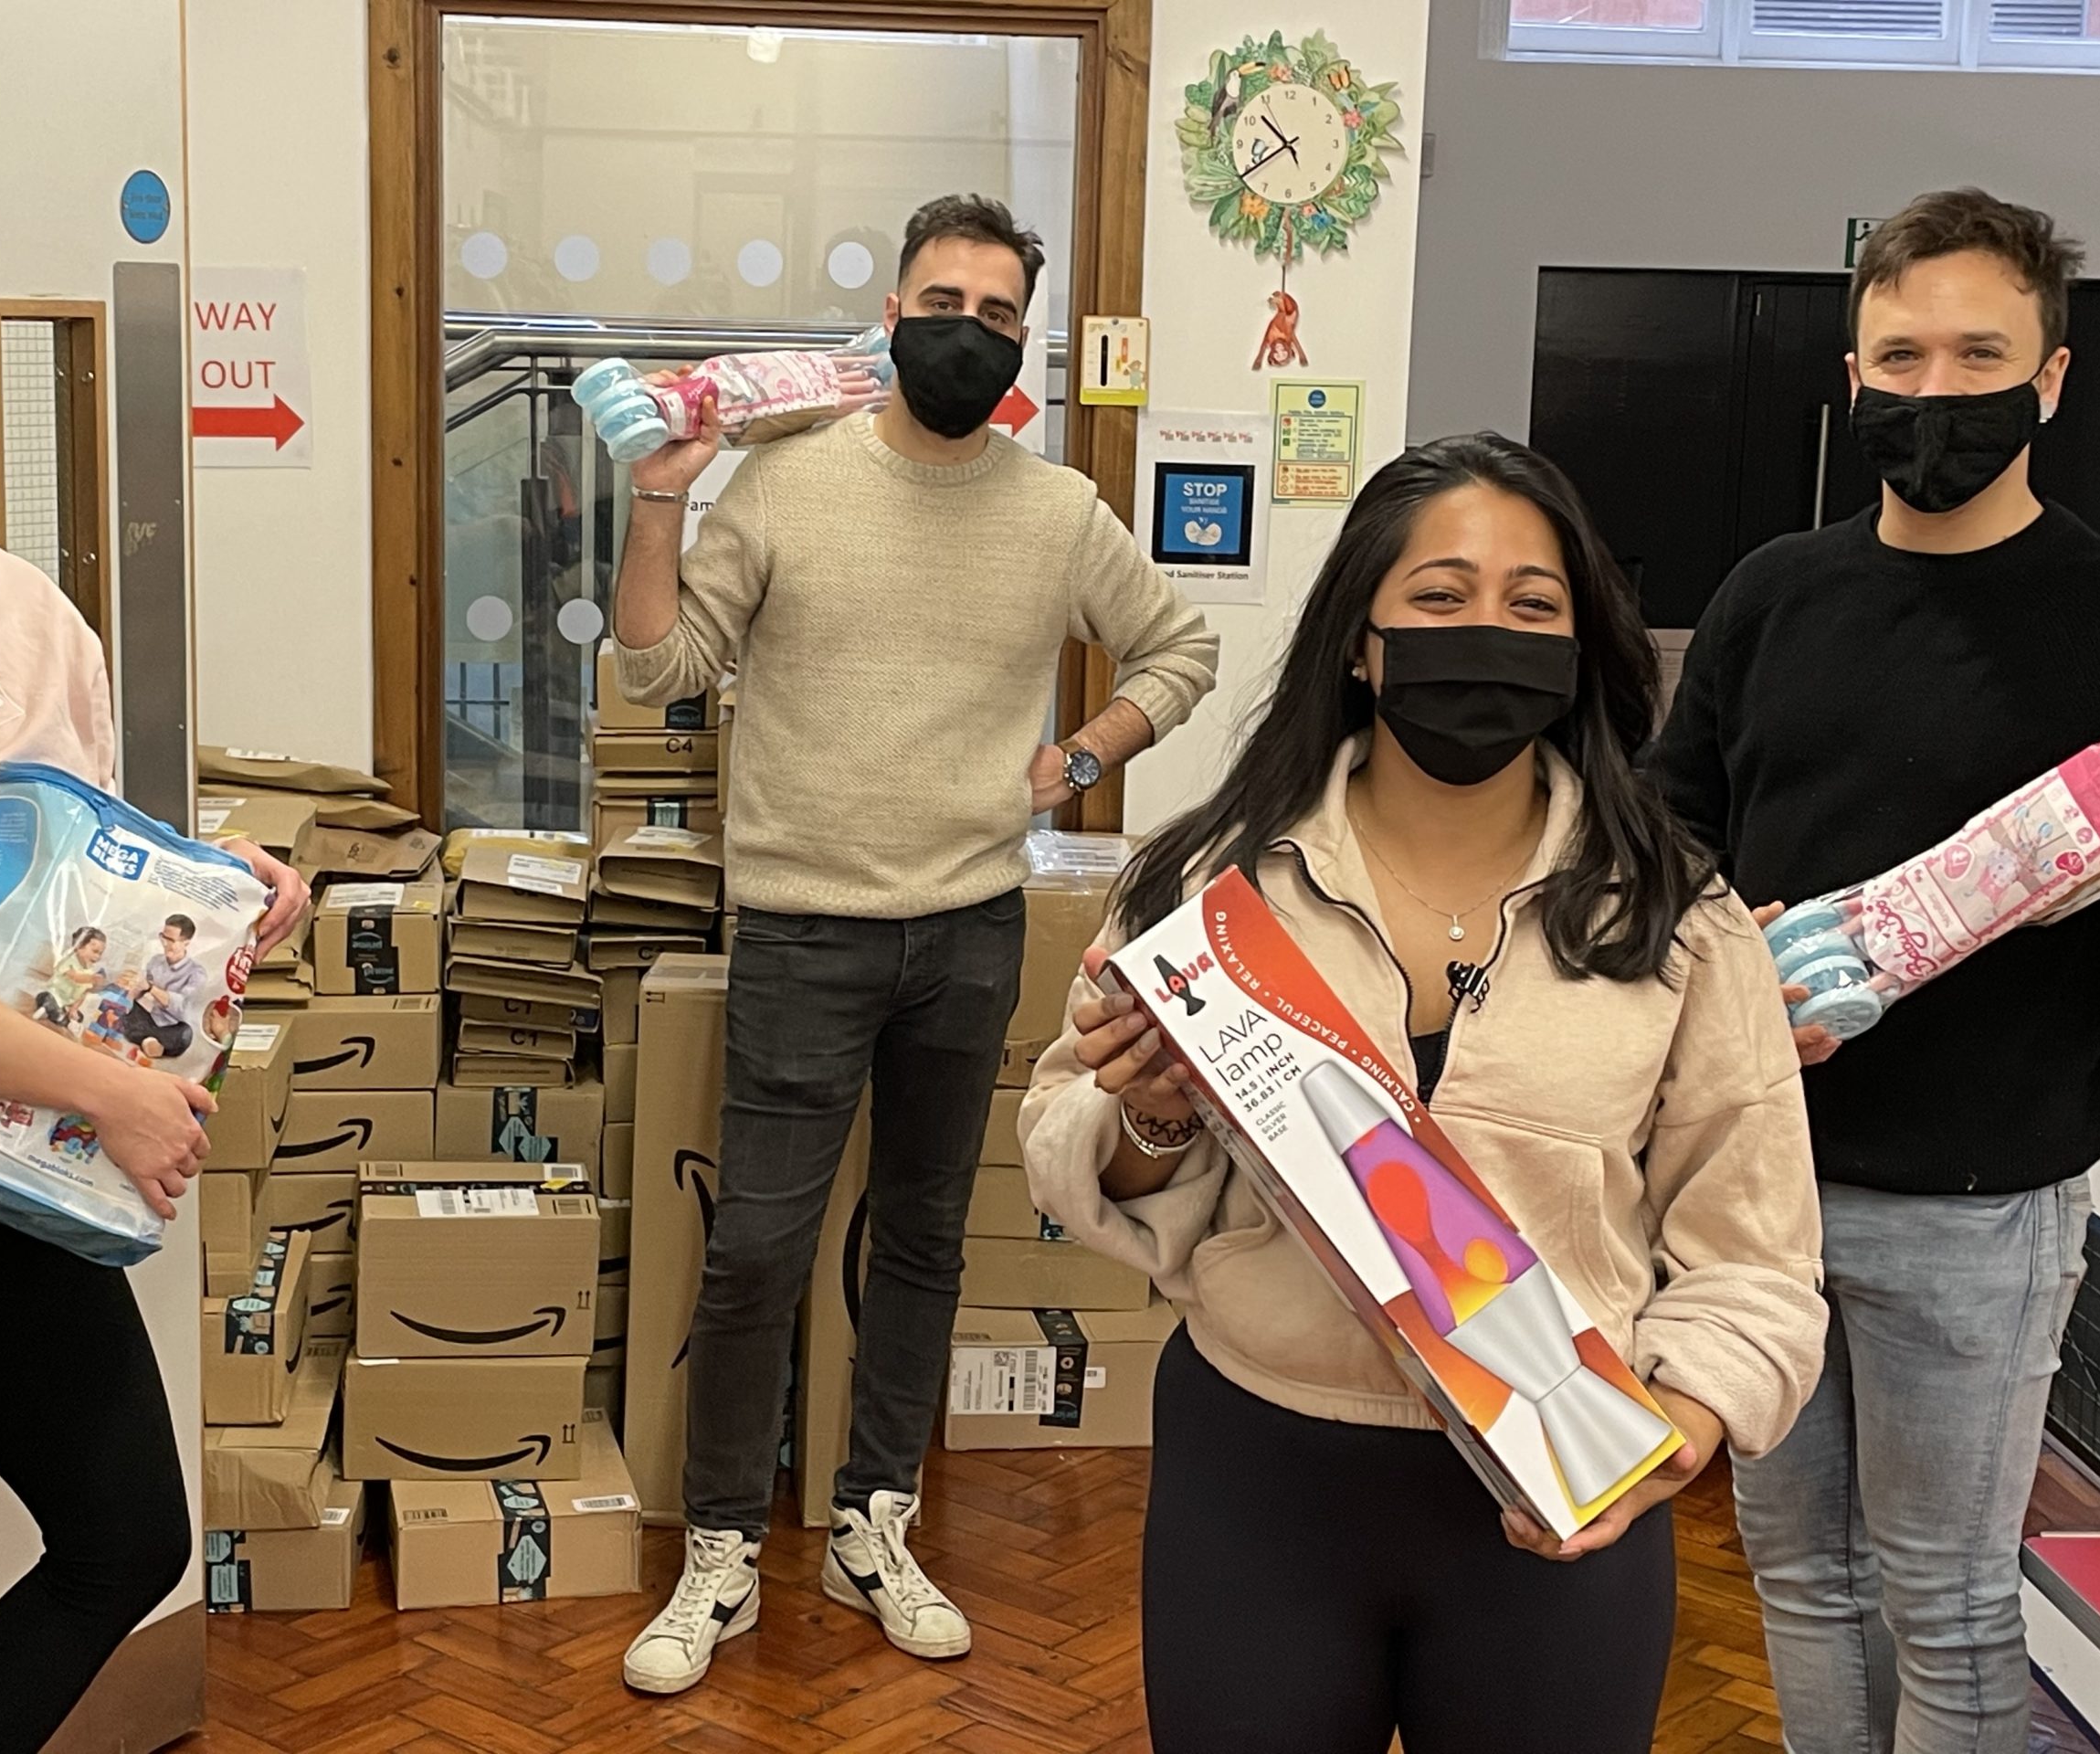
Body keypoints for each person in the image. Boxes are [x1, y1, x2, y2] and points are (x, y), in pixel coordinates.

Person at [1020, 434, 1827, 1754]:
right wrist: (1151, 1115)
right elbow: (1070, 1146)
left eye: (1532, 605)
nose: (1485, 632)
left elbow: (1758, 1254)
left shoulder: (1681, 918)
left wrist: (1672, 1435)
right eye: (1440, 596)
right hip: (1260, 1473)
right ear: (1362, 639)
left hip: (1569, 1487)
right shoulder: (1207, 891)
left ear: (1581, 648)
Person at [610, 194, 1219, 1695]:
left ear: (1024, 338)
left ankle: (873, 1522)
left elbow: (1181, 646)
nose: (967, 329)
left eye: (998, 313)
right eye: (942, 302)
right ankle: (722, 1548)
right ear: (890, 316)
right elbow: (660, 666)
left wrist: (1081, 757)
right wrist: (659, 500)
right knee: (757, 1250)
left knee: (925, 1241)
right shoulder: (784, 481)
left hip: (969, 929)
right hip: (801, 930)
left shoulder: (1056, 512)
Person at [1652, 188, 2100, 1754]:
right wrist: (1723, 955)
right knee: (1802, 1575)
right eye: (1902, 358)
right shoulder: (1772, 593)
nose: (1937, 392)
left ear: (2052, 379)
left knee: (1946, 1596)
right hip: (1757, 1185)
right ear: (1854, 375)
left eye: (1979, 356)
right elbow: (1667, 836)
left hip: (1981, 1204)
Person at [0, 257, 306, 1754]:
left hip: (21, 1125)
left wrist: (211, 890)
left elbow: (80, 864)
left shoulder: (28, 610)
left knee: (124, 1533)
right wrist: (116, 1094)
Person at [128, 913, 202, 1061]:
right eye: (163, 938)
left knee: (185, 1034)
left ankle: (147, 1039)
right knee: (120, 1008)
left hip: (171, 1025)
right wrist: (132, 990)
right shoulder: (156, 961)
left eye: (171, 940)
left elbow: (181, 1006)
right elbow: (140, 992)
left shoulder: (196, 973)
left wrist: (151, 988)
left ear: (186, 942)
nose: (165, 944)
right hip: (147, 1017)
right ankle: (150, 1042)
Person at [34, 925, 108, 1031]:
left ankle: (50, 1012)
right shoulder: (69, 961)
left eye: (100, 953)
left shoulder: (89, 971)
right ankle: (56, 1015)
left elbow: (82, 994)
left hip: (65, 1003)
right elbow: (75, 977)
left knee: (79, 1017)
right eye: (95, 951)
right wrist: (91, 978)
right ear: (79, 946)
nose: (97, 957)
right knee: (48, 1001)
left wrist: (74, 1009)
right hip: (52, 995)